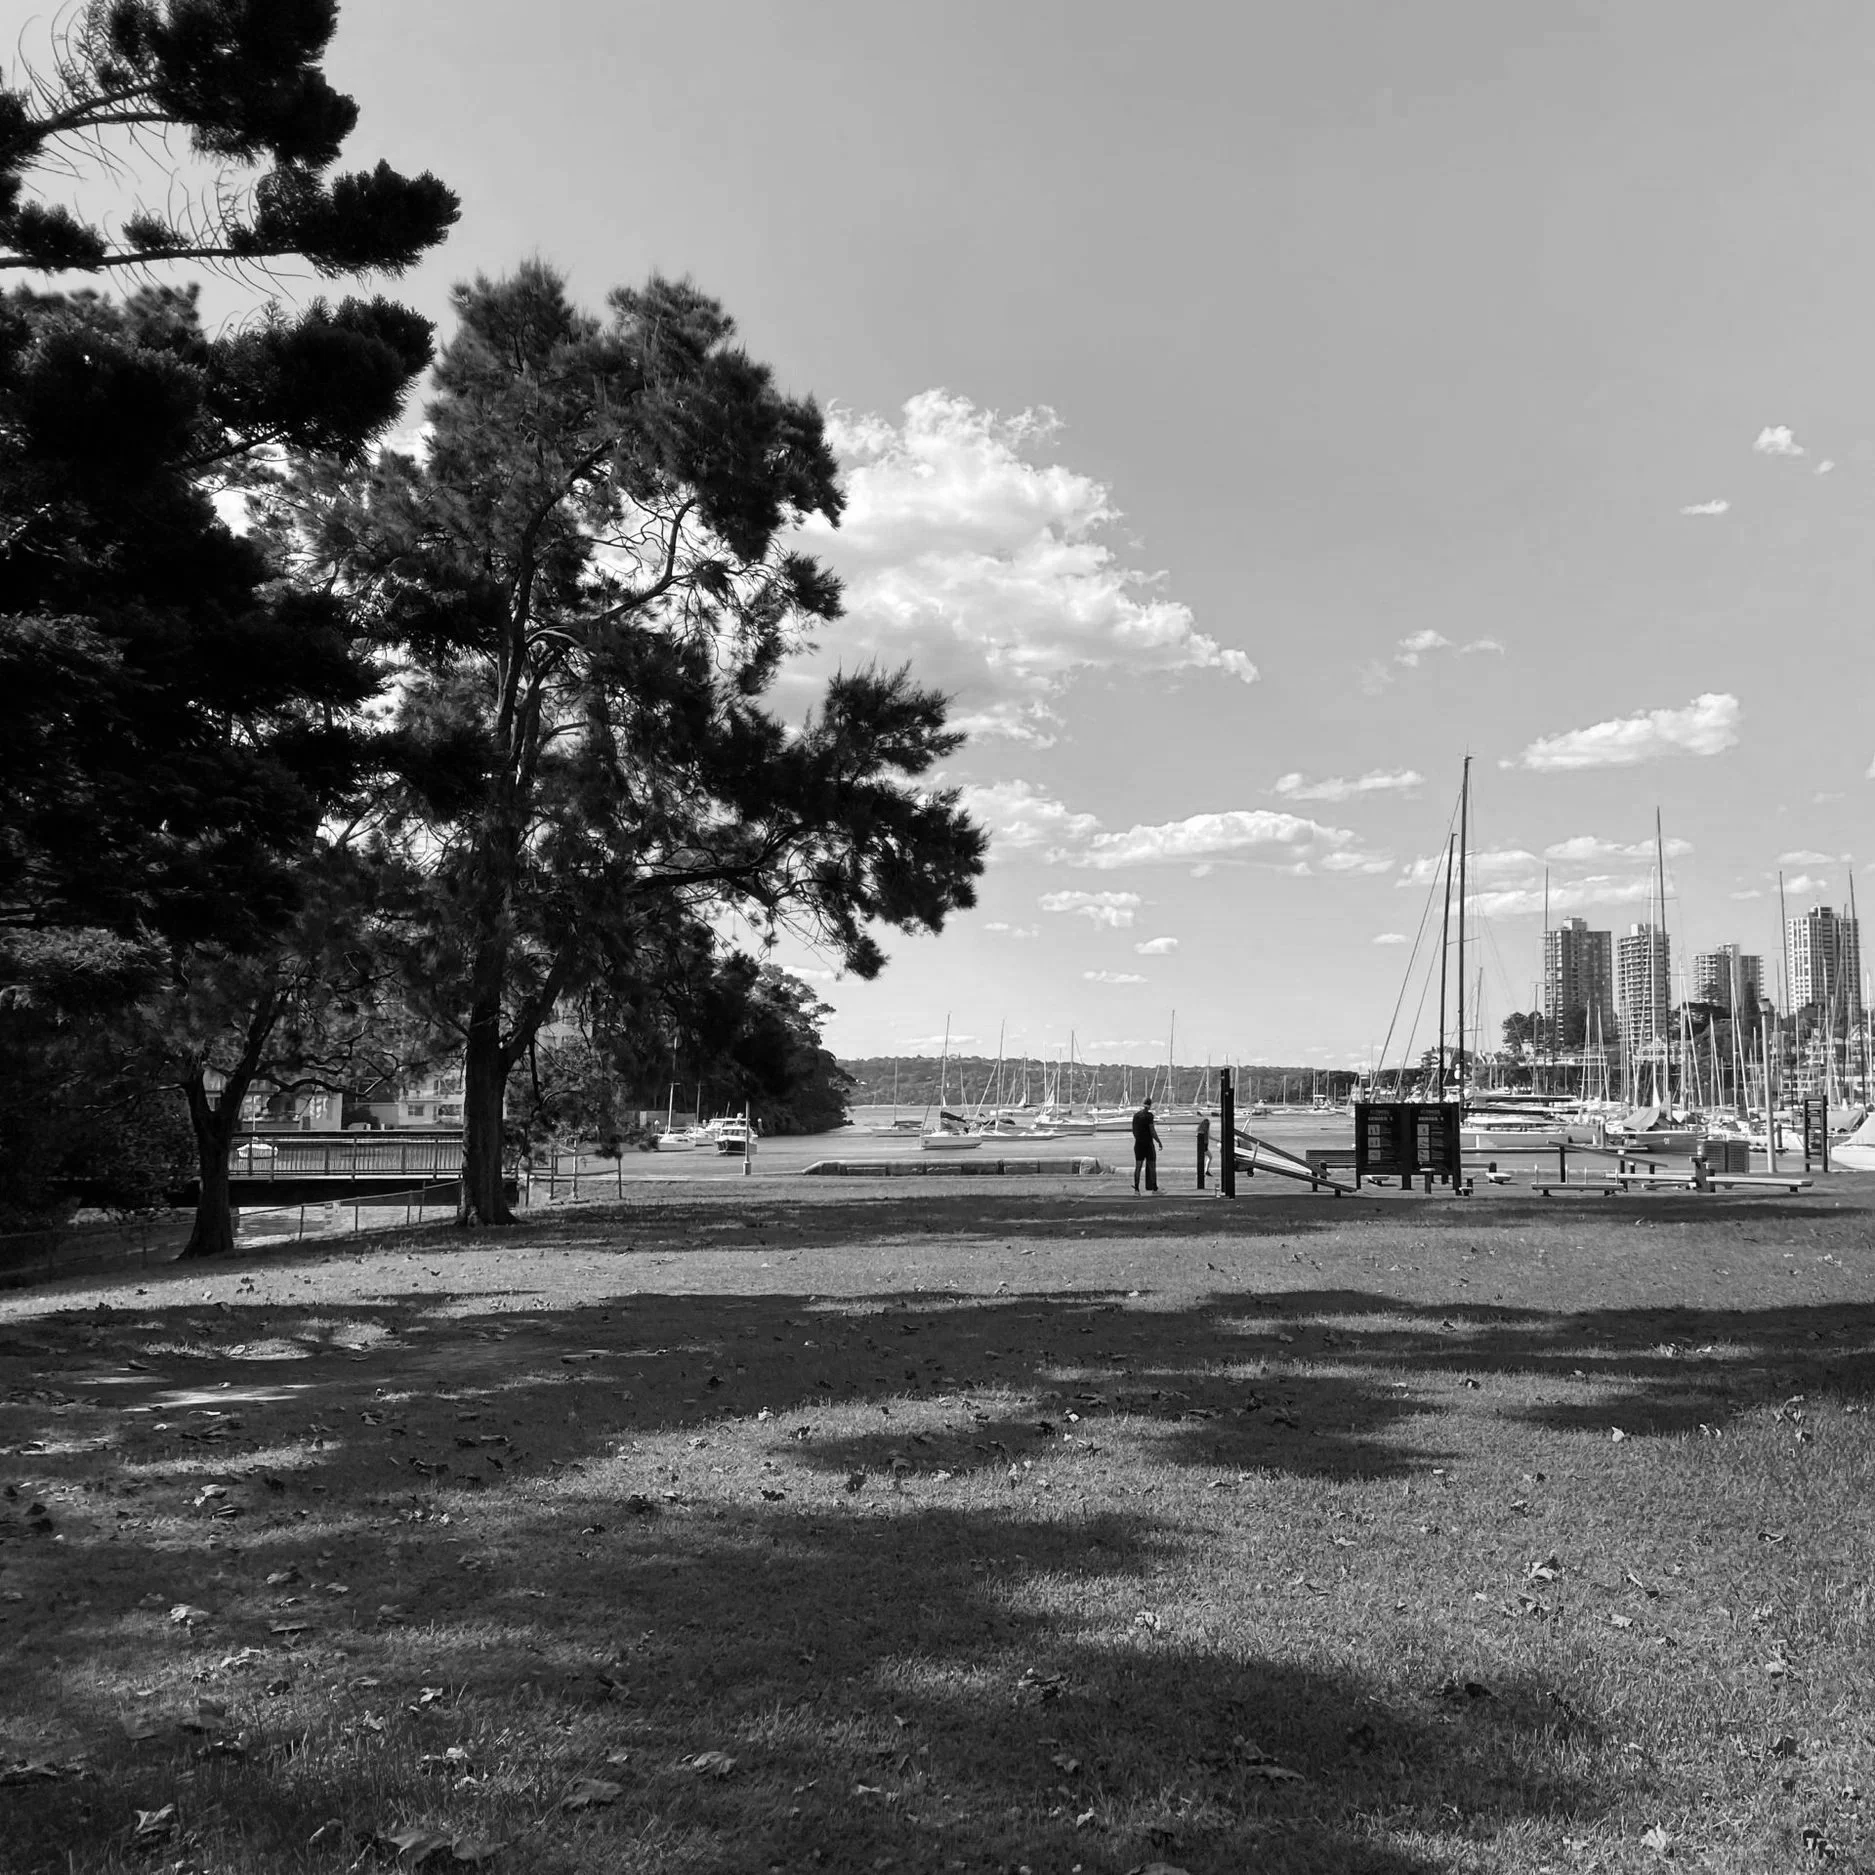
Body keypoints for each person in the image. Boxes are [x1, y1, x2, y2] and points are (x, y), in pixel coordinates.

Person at [1131, 1096, 1163, 1194]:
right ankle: (1154, 1188)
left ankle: (1136, 1189)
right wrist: (1159, 1141)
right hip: (1148, 1144)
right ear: (1150, 1105)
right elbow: (1152, 1131)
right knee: (1152, 1166)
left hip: (1138, 1144)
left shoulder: (1136, 1116)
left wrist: (1138, 1138)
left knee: (1138, 1166)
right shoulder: (1149, 1116)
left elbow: (1134, 1131)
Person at [1196, 1112, 1211, 1190]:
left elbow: (1209, 1136)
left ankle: (1205, 1171)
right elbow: (1205, 1137)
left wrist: (1218, 1140)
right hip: (1204, 1146)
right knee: (1209, 1157)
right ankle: (1205, 1172)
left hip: (1205, 1145)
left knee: (1209, 1157)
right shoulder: (1203, 1130)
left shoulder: (1203, 1129)